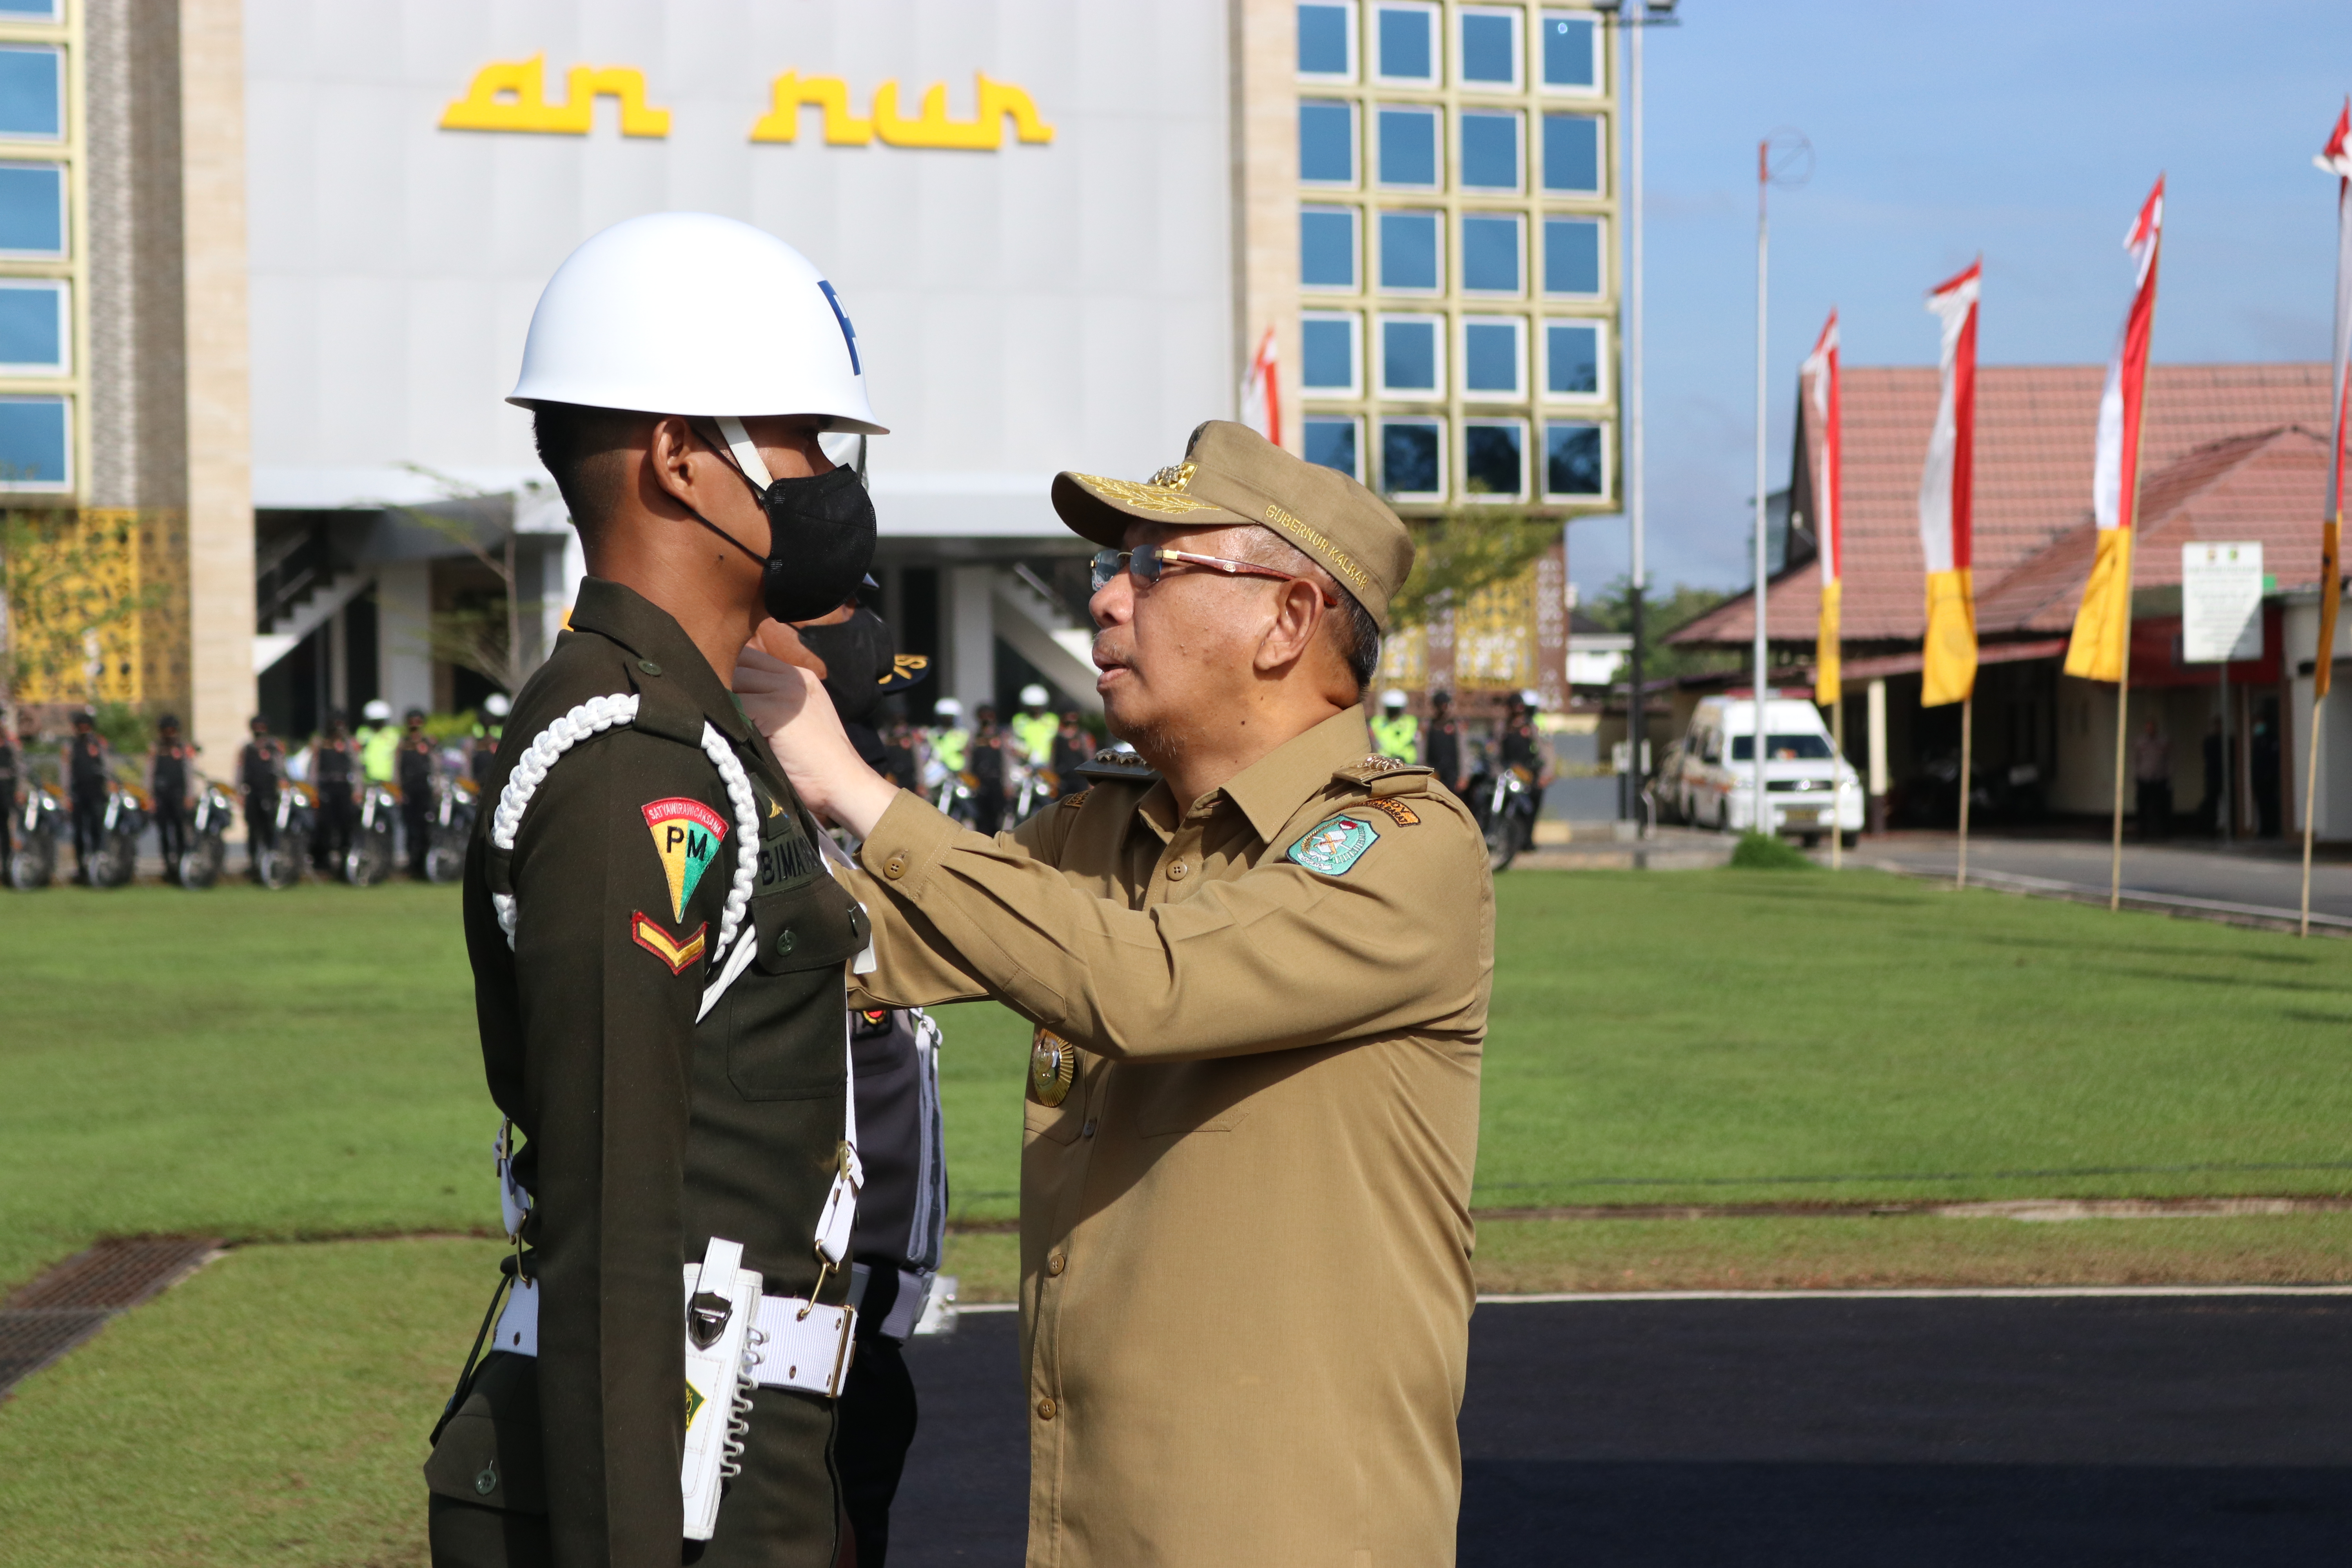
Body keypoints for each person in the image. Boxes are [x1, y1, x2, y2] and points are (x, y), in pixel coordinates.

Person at [737, 419, 1493, 1567]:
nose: (1104, 602)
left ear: (1288, 617)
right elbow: (859, 946)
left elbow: (1148, 985)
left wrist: (855, 788)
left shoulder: (1399, 843)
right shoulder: (1103, 828)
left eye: (1149, 566)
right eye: (1106, 568)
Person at [425, 212, 884, 1568]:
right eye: (798, 439)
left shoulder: (694, 731)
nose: (825, 481)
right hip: (671, 1475)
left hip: (742, 1448)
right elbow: (623, 1244)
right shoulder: (634, 765)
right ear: (683, 458)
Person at [787, 598, 946, 1568]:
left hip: (861, 1325)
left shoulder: (845, 866)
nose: (891, 754)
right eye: (872, 727)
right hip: (812, 1323)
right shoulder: (801, 884)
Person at [64, 709, 109, 883]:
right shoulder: (71, 746)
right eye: (80, 727)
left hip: (97, 795)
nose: (83, 730)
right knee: (79, 834)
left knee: (97, 831)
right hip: (78, 795)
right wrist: (67, 795)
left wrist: (109, 785)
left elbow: (107, 766)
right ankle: (81, 869)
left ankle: (98, 869)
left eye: (86, 727)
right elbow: (66, 772)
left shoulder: (98, 744)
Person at [312, 709, 359, 874]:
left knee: (346, 826)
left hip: (344, 787)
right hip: (326, 787)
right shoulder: (320, 743)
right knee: (324, 825)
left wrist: (357, 791)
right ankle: (322, 862)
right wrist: (313, 791)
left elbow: (356, 768)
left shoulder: (349, 744)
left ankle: (345, 863)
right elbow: (314, 769)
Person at [238, 716, 285, 879]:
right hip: (253, 794)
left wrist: (281, 788)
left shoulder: (274, 748)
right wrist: (241, 794)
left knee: (270, 829)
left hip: (270, 794)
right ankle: (253, 863)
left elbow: (280, 770)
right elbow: (240, 773)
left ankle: (271, 863)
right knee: (253, 830)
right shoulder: (247, 750)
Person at [150, 715, 196, 878]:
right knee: (164, 833)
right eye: (166, 731)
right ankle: (168, 867)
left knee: (180, 832)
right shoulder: (156, 749)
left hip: (178, 797)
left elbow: (189, 773)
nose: (169, 734)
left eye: (172, 731)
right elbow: (149, 774)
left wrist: (189, 796)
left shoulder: (183, 749)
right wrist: (150, 797)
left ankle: (182, 867)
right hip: (161, 797)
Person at [396, 709, 437, 879]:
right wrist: (398, 790)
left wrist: (436, 790)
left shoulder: (428, 743)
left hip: (424, 790)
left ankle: (424, 866)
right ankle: (412, 866)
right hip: (408, 790)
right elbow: (397, 769)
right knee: (409, 828)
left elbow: (436, 767)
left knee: (425, 828)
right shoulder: (402, 744)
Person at [967, 703, 1007, 834]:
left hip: (997, 782)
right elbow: (969, 760)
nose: (987, 719)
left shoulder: (1001, 736)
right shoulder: (974, 736)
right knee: (981, 819)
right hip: (979, 784)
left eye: (990, 716)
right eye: (983, 717)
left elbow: (1007, 761)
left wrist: (1008, 784)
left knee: (999, 818)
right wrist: (970, 782)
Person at [2132, 716, 2171, 841]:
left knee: (2161, 806)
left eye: (2152, 727)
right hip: (2144, 778)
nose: (2150, 729)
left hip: (2159, 778)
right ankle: (2142, 832)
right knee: (2142, 806)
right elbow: (2136, 759)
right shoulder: (2140, 742)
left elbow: (2169, 759)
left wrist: (2167, 774)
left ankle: (2161, 832)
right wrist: (2137, 774)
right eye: (2148, 727)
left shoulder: (2163, 742)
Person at [1425, 687, 1466, 796]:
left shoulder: (1456, 725)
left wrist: (1464, 776)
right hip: (1434, 773)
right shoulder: (1429, 726)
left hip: (1453, 773)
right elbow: (1423, 750)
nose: (1442, 708)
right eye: (1439, 705)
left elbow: (1463, 750)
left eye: (1445, 705)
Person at [1009, 684, 1057, 768]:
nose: (1036, 712)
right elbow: (1014, 742)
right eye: (1032, 708)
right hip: (1025, 764)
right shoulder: (1019, 720)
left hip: (1049, 766)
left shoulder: (1052, 720)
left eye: (1038, 708)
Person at [359, 698, 400, 786]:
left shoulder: (392, 734)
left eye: (380, 722)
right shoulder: (363, 734)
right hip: (368, 781)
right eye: (374, 722)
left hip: (389, 781)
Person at [1371, 686, 1418, 762]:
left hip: (1407, 763)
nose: (1393, 714)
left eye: (1395, 710)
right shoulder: (1378, 722)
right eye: (1391, 710)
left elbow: (1403, 741)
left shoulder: (1410, 722)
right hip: (1384, 764)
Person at [1048, 710, 1094, 784]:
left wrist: (1092, 778)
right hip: (1062, 777)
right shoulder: (1058, 738)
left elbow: (1090, 757)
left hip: (1080, 778)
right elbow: (1053, 758)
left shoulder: (1083, 737)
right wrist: (1051, 776)